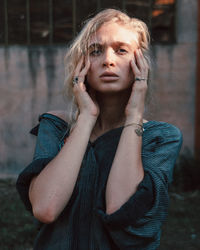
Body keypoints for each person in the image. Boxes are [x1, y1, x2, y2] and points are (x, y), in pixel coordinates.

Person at [16, 8, 182, 250]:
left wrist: (134, 114)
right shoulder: (56, 126)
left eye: (121, 50)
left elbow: (120, 209)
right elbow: (45, 208)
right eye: (95, 51)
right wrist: (86, 118)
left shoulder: (161, 137)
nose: (108, 60)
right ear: (81, 64)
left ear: (140, 64)